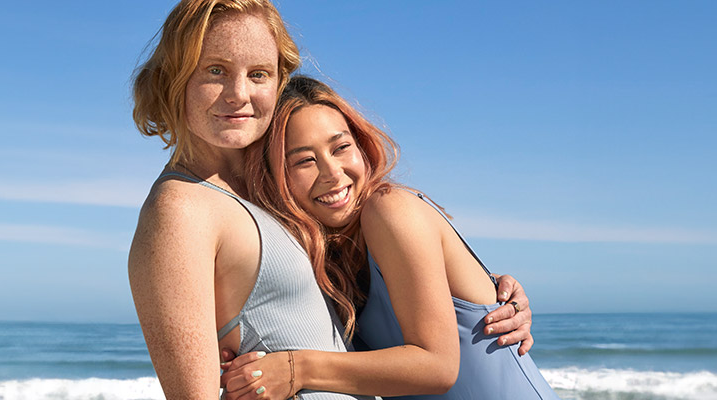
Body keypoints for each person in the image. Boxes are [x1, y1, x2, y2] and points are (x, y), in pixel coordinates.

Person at [126, 2, 537, 399]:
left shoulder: (292, 210)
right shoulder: (181, 209)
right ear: (173, 77)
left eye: (258, 74)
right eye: (215, 70)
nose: (238, 94)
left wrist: (488, 291)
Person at [216, 76, 560, 400]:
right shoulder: (326, 262)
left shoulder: (390, 209)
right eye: (305, 160)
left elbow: (438, 366)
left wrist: (297, 368)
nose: (333, 173)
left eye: (340, 147)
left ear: (361, 147)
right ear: (274, 178)